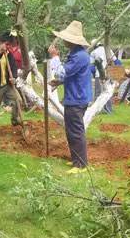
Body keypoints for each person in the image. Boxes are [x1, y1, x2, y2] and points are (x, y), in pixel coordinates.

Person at [49, 21, 93, 174]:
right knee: (72, 130)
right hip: (76, 97)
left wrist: (54, 57)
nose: (64, 41)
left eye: (66, 39)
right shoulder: (77, 55)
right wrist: (60, 82)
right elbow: (71, 76)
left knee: (75, 131)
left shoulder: (79, 57)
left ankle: (80, 165)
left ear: (72, 41)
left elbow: (62, 72)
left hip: (76, 99)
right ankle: (77, 160)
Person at [90, 40, 116, 114]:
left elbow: (91, 66)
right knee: (108, 93)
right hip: (109, 75)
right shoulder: (109, 50)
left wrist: (93, 74)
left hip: (99, 75)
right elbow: (116, 62)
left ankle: (96, 111)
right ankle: (109, 110)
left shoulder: (94, 52)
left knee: (98, 93)